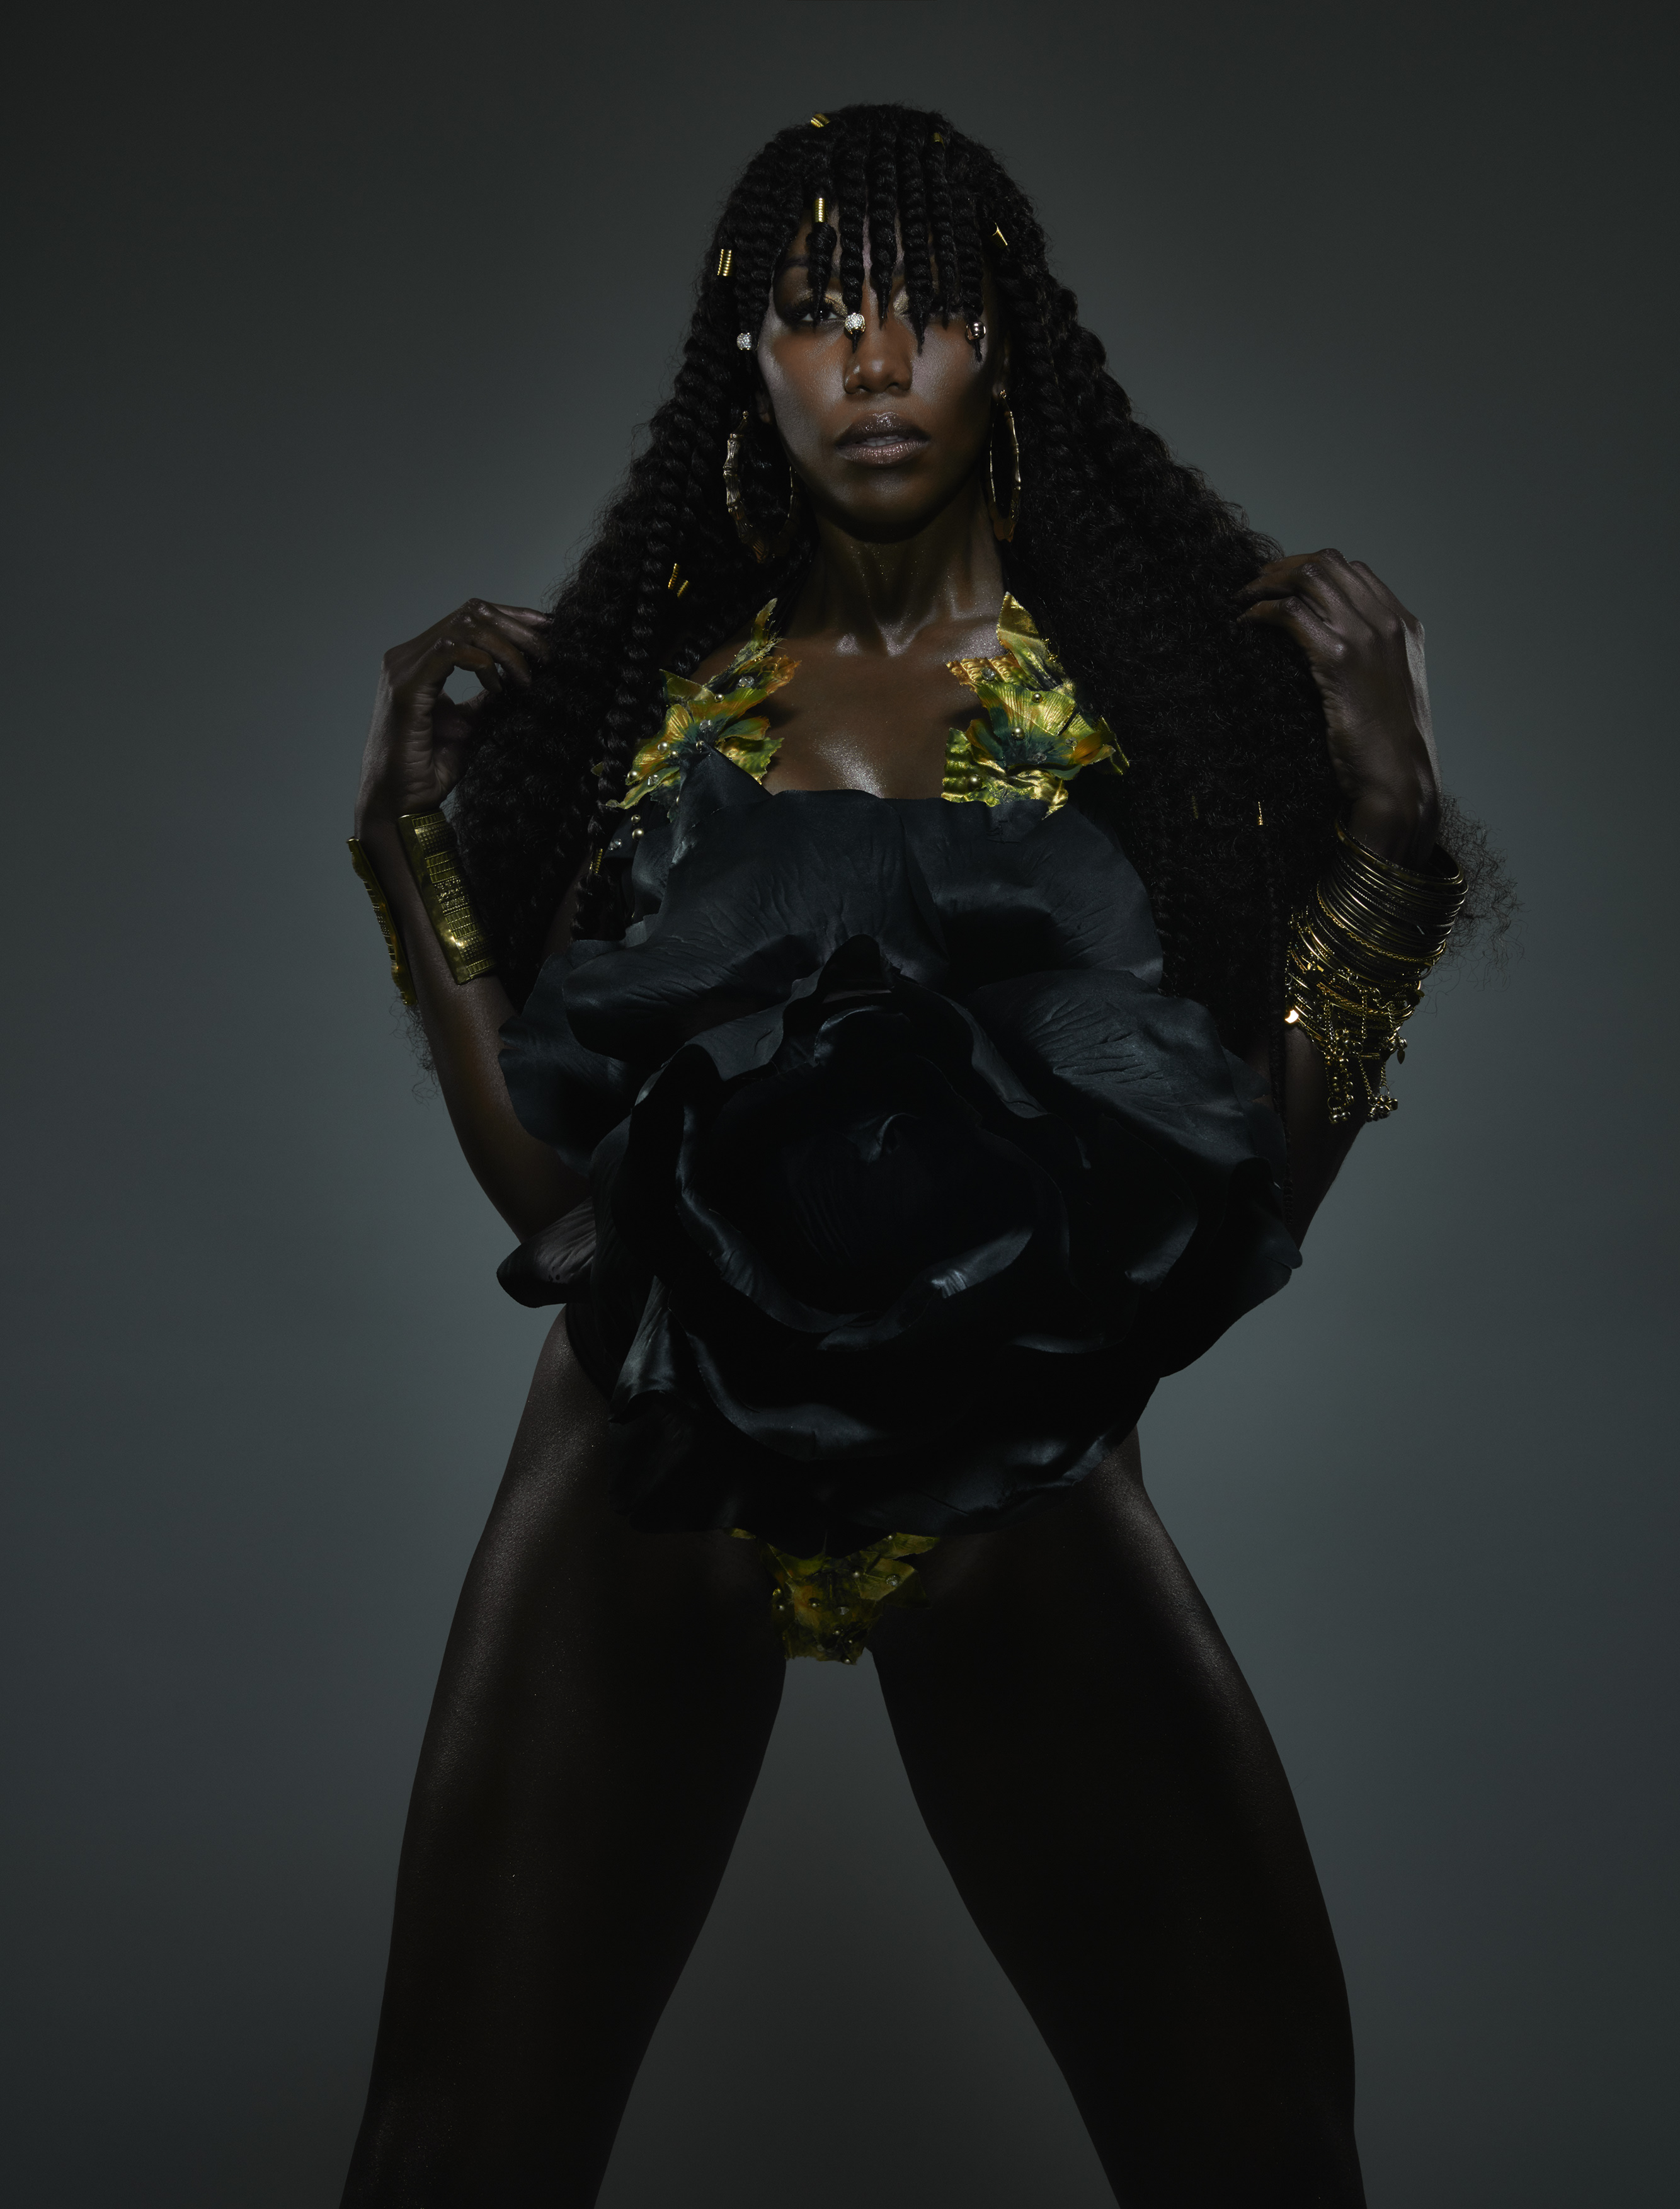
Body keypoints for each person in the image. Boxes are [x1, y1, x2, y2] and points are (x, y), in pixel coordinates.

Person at [339, 103, 1495, 2209]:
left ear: (1005, 347)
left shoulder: (1161, 710)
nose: (873, 362)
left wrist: (1390, 841)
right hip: (647, 1475)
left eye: (926, 310)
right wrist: (412, 854)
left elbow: (1236, 1213)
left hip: (1021, 1494)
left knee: (1261, 2157)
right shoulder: (654, 705)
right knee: (452, 2152)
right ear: (748, 358)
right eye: (816, 313)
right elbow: (566, 1215)